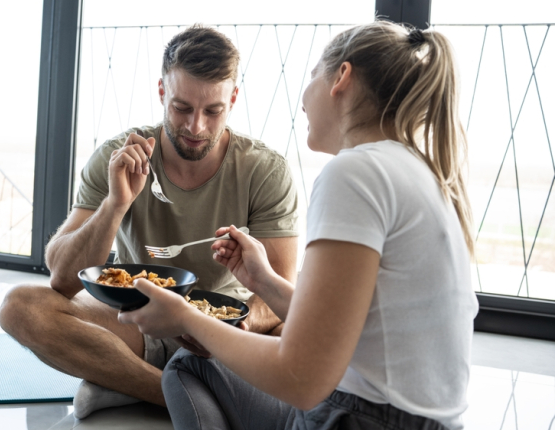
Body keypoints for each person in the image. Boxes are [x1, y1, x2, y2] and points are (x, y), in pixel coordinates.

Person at [119, 21, 479, 430]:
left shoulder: (357, 173)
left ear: (341, 77)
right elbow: (348, 328)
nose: (303, 99)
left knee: (188, 366)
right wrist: (264, 281)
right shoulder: (418, 168)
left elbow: (302, 379)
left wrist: (184, 317)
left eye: (312, 76)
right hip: (415, 420)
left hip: (360, 419)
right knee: (191, 365)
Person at [0, 25, 300, 420]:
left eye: (213, 111)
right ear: (162, 92)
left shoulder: (264, 170)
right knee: (20, 307)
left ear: (234, 98)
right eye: (181, 108)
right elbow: (63, 278)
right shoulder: (118, 154)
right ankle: (169, 393)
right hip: (142, 319)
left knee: (300, 342)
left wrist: (235, 329)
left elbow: (277, 296)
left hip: (226, 329)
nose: (196, 127)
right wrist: (115, 204)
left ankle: (121, 383)